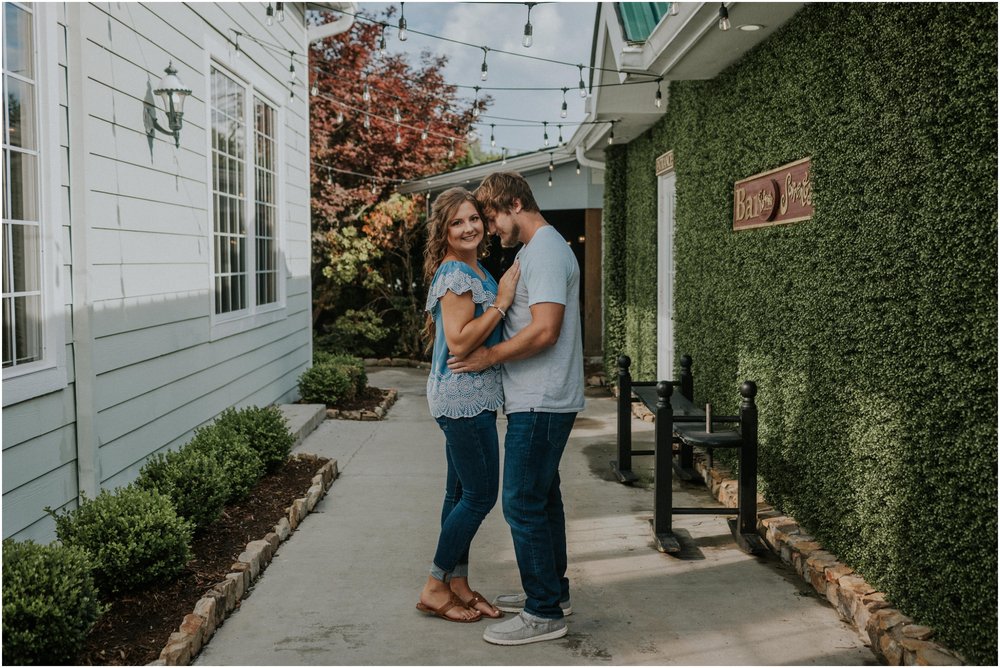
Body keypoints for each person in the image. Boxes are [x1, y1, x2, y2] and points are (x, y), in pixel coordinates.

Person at [447, 171, 584, 645]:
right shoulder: (538, 249)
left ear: (512, 205)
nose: (491, 229)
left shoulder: (545, 250)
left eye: (490, 218)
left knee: (521, 504)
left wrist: (486, 356)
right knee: (543, 500)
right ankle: (553, 592)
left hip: (541, 401)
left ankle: (543, 612)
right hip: (541, 398)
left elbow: (545, 330)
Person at [416, 187, 521, 623]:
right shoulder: (456, 274)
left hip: (464, 395)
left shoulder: (472, 268)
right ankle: (436, 585)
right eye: (457, 222)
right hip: (462, 397)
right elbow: (459, 341)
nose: (469, 227)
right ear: (444, 231)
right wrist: (501, 304)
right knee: (480, 495)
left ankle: (457, 583)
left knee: (458, 493)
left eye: (474, 218)